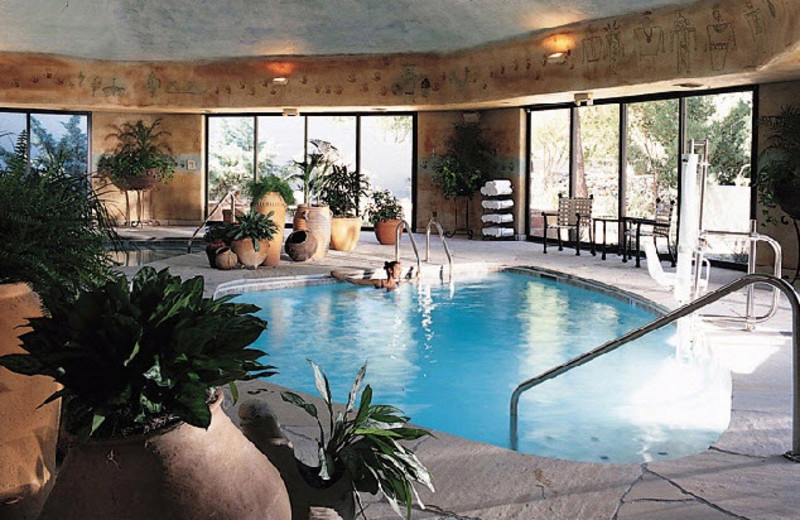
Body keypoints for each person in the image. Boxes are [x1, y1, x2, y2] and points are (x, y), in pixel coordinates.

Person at [331, 261, 417, 292]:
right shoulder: (379, 282)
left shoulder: (398, 283)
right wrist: (340, 276)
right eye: (398, 269)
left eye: (401, 269)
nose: (400, 271)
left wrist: (417, 276)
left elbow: (409, 281)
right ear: (390, 270)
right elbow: (357, 282)